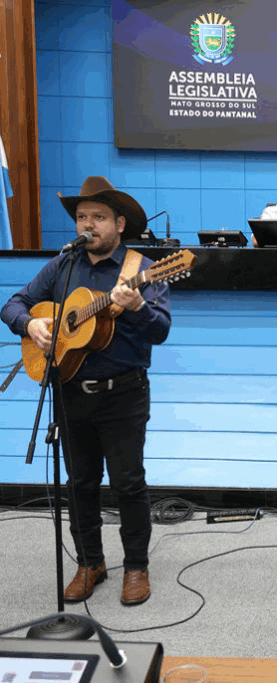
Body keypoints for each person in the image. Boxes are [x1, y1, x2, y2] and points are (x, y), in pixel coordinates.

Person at [1, 177, 172, 606]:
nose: (87, 226)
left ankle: (136, 567)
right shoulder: (63, 265)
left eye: (97, 217)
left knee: (129, 483)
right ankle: (89, 562)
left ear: (119, 224)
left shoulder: (142, 270)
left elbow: (162, 330)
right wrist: (31, 324)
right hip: (69, 389)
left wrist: (137, 307)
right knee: (80, 483)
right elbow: (13, 304)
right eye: (82, 217)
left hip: (124, 394)